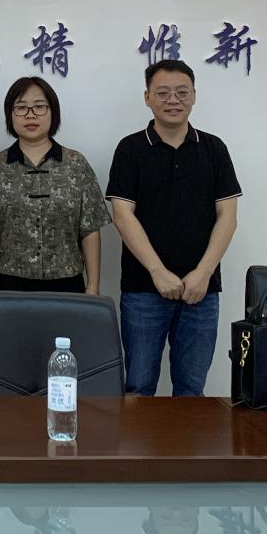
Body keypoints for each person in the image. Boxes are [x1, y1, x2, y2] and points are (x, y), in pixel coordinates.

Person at [106, 59, 241, 397]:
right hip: (143, 289)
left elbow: (228, 216)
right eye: (163, 93)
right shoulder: (130, 149)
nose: (173, 100)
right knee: (138, 387)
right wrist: (157, 271)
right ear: (147, 97)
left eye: (182, 92)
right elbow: (122, 215)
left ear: (194, 96)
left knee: (192, 389)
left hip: (202, 291)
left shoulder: (214, 148)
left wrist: (203, 273)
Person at [0, 76, 107, 294]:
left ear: (53, 112)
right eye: (21, 108)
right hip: (8, 283)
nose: (30, 115)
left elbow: (90, 230)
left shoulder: (76, 164)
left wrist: (93, 286)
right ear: (10, 115)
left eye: (39, 107)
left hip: (66, 282)